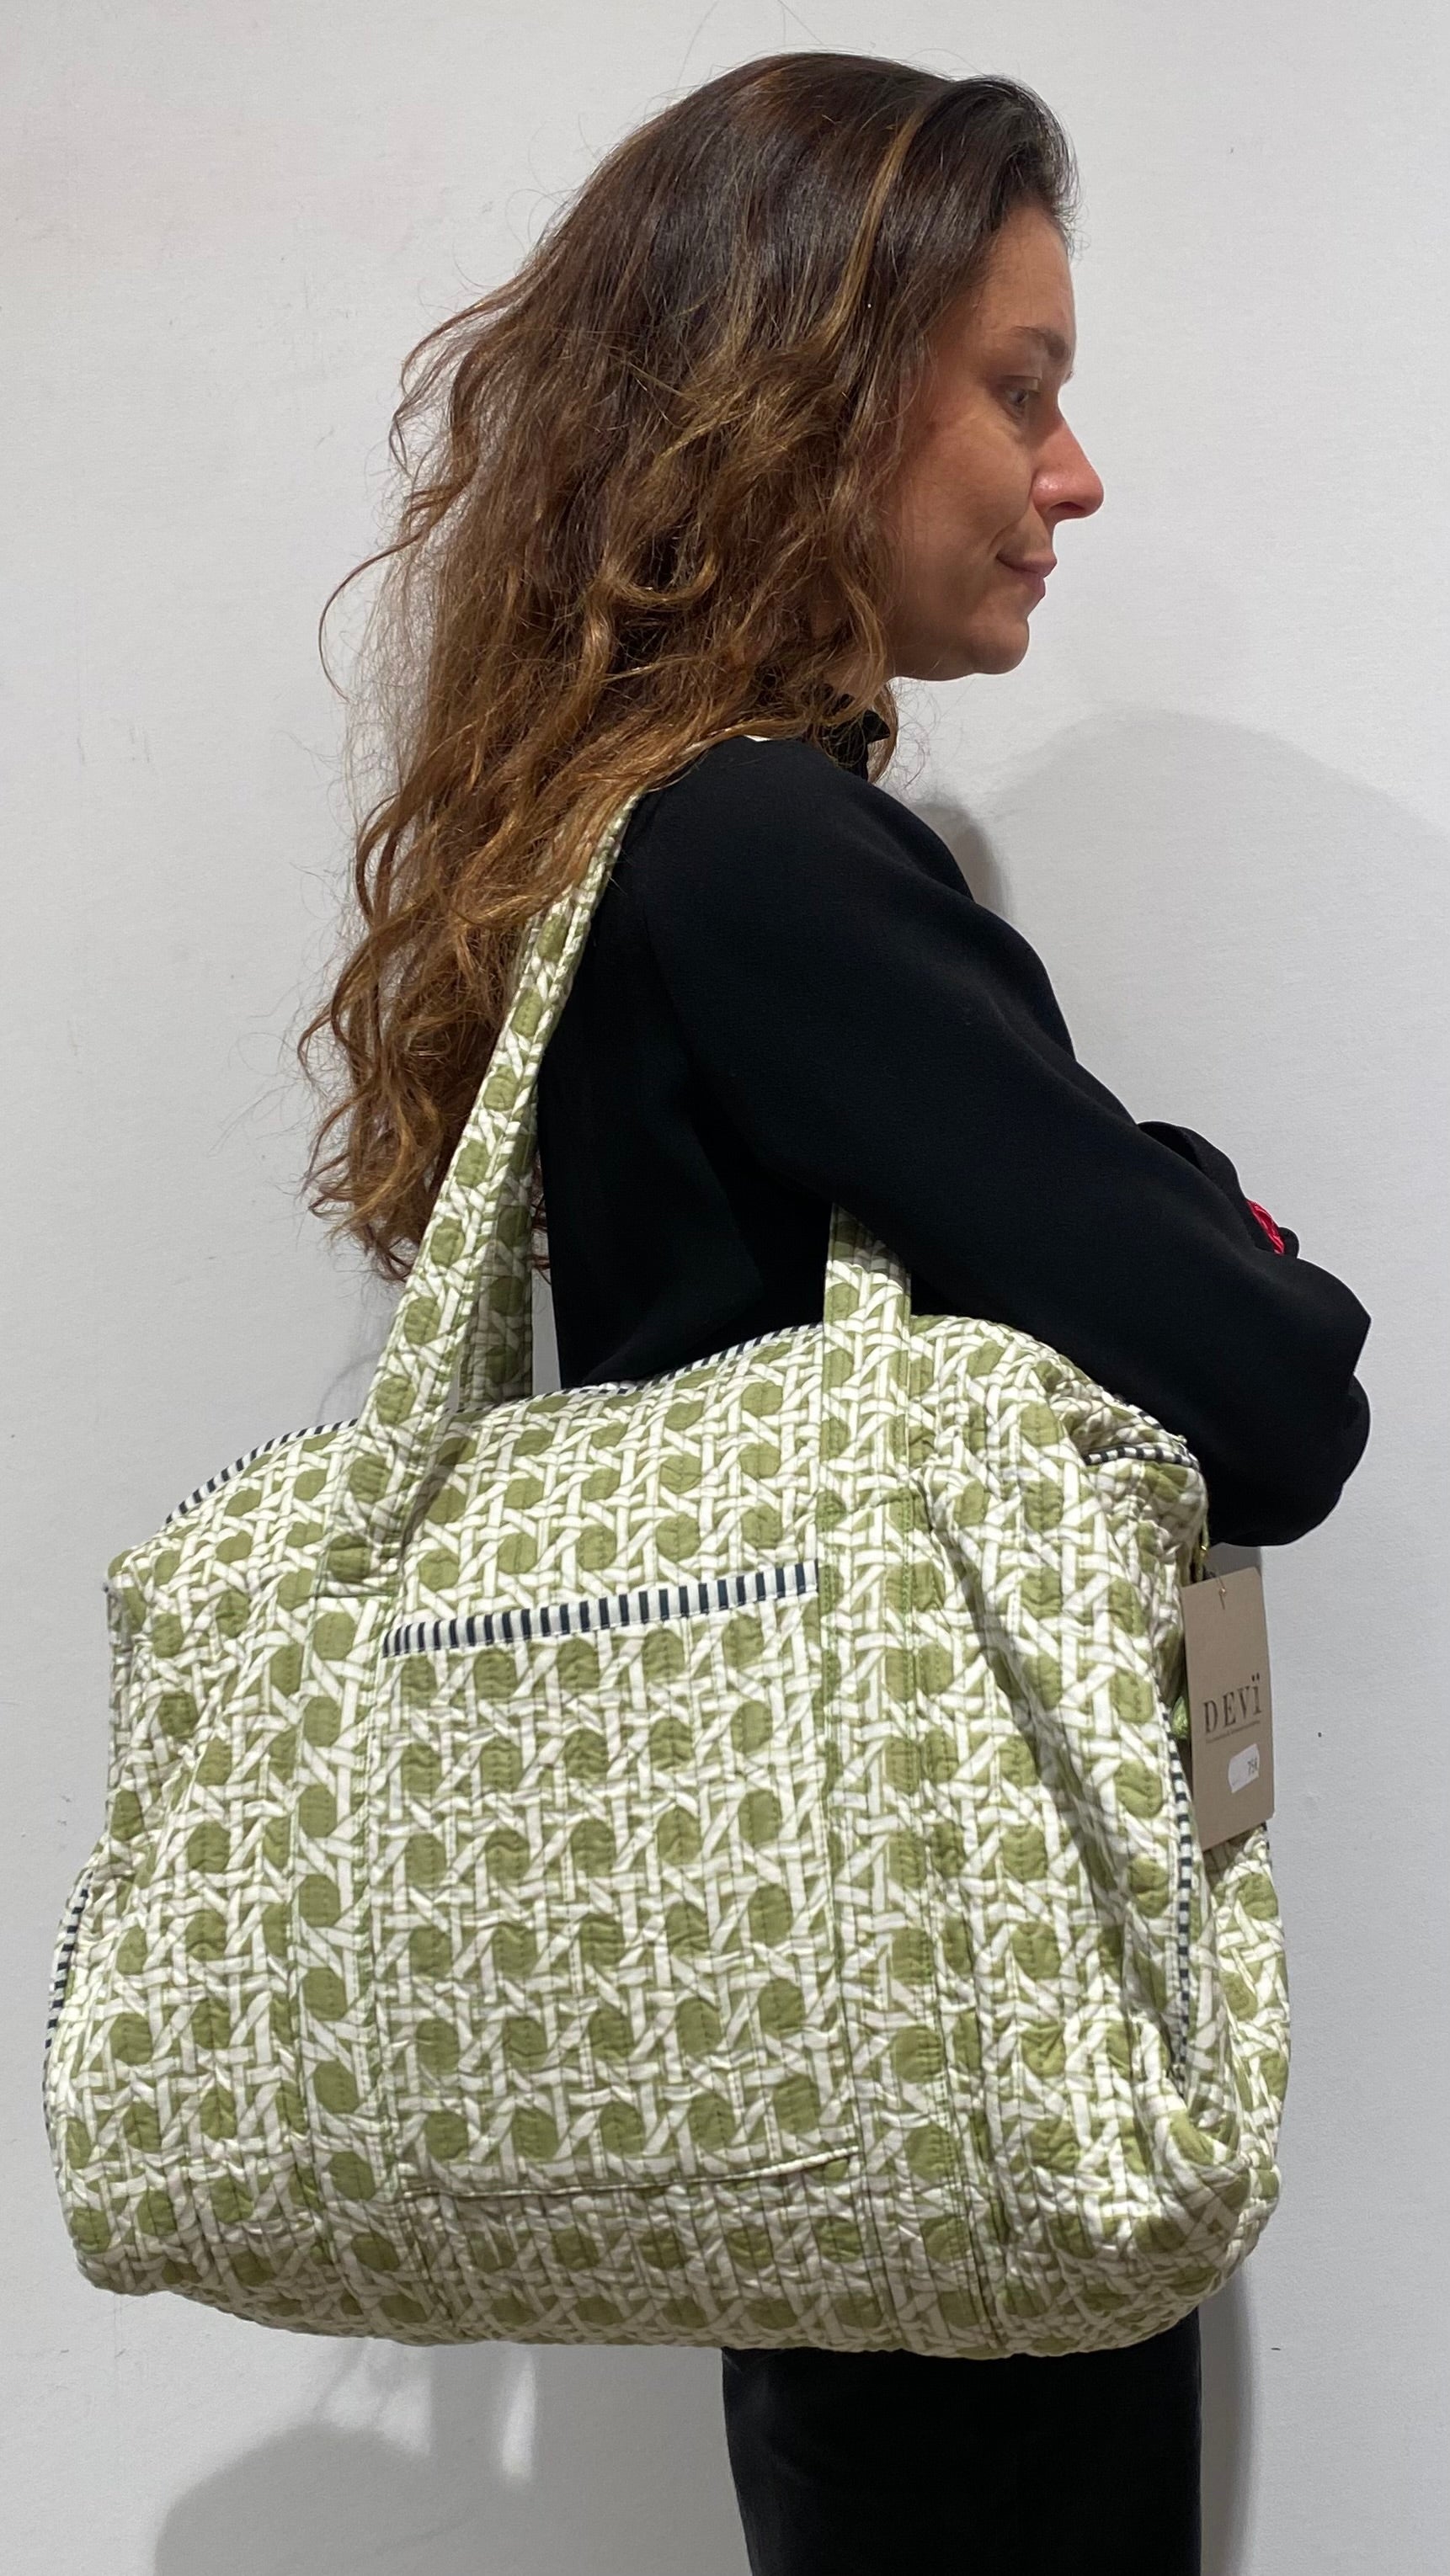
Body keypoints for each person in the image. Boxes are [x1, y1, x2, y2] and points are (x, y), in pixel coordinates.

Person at [301, 51, 1372, 2576]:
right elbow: (1276, 1401)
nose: (1070, 477)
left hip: (826, 2052)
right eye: (1021, 389)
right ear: (806, 388)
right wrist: (1208, 1211)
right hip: (950, 2068)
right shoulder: (768, 853)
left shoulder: (637, 846)